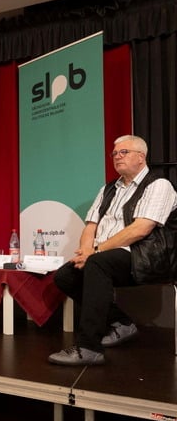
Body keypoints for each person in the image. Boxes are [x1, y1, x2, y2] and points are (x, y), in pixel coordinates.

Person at [48, 135, 177, 366]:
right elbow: (90, 226)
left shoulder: (159, 185)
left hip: (145, 256)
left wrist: (95, 251)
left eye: (123, 152)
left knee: (98, 263)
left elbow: (141, 229)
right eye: (114, 153)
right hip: (107, 254)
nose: (117, 157)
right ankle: (122, 323)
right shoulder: (109, 188)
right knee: (65, 276)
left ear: (141, 157)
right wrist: (86, 249)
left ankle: (89, 348)